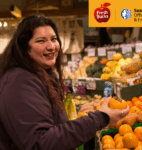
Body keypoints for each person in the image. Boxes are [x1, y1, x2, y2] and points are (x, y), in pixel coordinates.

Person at [0, 14, 129, 150]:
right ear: (25, 47)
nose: (51, 47)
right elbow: (41, 142)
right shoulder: (20, 83)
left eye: (54, 39)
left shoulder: (40, 73)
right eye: (41, 41)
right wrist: (100, 117)